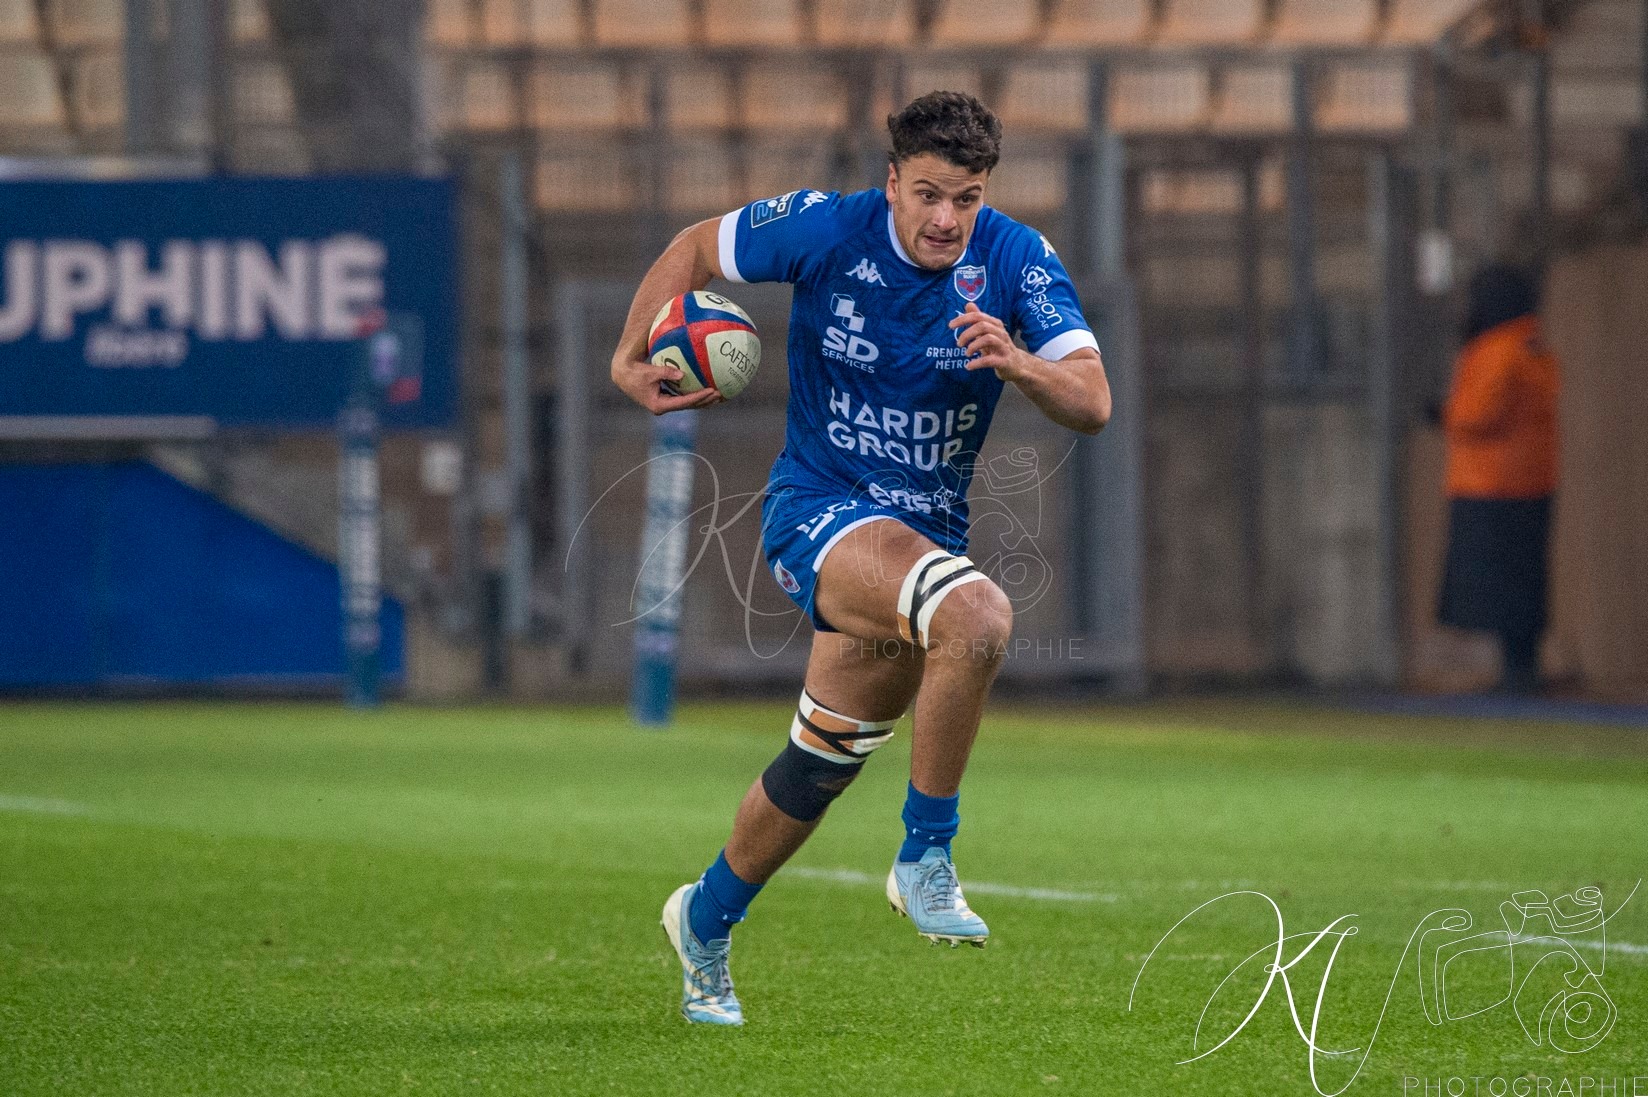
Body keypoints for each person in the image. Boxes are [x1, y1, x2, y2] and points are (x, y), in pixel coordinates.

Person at [610, 92, 1110, 1025]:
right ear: (891, 181)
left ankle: (704, 919)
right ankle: (927, 854)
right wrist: (629, 354)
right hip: (820, 511)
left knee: (820, 764)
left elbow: (1092, 398)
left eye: (964, 198)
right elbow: (693, 247)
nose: (943, 218)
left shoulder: (1016, 260)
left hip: (923, 541)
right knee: (980, 616)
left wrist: (1021, 361)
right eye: (926, 193)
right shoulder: (823, 229)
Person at [1438, 263, 1560, 694]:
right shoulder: (1531, 344)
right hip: (1529, 482)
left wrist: (1443, 414)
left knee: (1503, 588)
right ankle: (1520, 670)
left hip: (1493, 485)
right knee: (1523, 584)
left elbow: (1477, 413)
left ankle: (1517, 675)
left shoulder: (1497, 349)